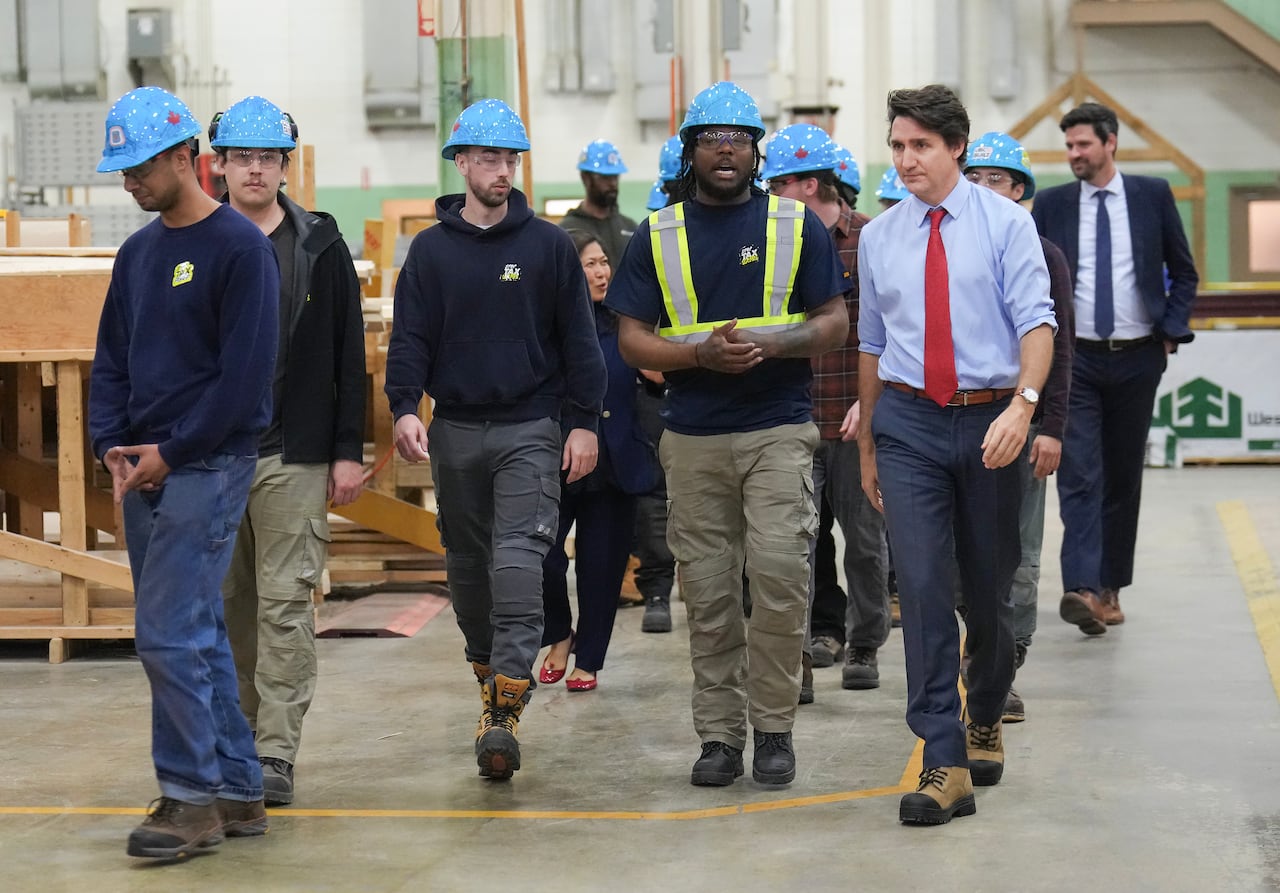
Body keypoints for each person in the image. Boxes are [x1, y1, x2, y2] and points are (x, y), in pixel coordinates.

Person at [606, 81, 849, 788]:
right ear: (690, 150)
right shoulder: (658, 233)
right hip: (694, 435)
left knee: (778, 580)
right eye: (711, 138)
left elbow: (833, 322)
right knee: (709, 595)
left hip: (777, 429)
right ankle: (719, 736)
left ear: (755, 152)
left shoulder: (794, 225)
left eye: (739, 139)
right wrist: (697, 356)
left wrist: (773, 345)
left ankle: (773, 727)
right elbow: (630, 339)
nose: (725, 149)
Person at [851, 84, 1055, 824]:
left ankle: (987, 707)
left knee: (988, 596)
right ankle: (943, 757)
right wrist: (870, 440)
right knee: (928, 589)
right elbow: (871, 343)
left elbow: (1038, 323)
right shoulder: (880, 237)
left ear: (956, 148)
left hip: (990, 421)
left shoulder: (1006, 226)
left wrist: (1022, 406)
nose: (906, 159)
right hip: (908, 423)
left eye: (920, 146)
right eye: (898, 146)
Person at [385, 99, 606, 780]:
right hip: (454, 427)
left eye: (511, 159)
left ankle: (508, 701)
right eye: (489, 158)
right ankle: (489, 680)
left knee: (518, 560)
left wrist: (584, 421)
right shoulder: (429, 251)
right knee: (467, 568)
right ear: (461, 162)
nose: (502, 171)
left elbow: (579, 340)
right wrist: (404, 408)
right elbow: (411, 337)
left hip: (529, 426)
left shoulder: (546, 247)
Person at [89, 86, 278, 857]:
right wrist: (111, 443)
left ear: (181, 157)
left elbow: (243, 383)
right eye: (121, 170)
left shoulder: (241, 249)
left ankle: (189, 798)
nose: (128, 182)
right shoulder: (138, 254)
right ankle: (236, 787)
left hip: (210, 462)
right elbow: (111, 359)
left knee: (165, 631)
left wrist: (172, 451)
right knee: (194, 634)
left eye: (138, 167)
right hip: (145, 466)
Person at [211, 96, 367, 806]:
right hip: (210, 457)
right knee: (227, 603)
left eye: (266, 157)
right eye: (241, 157)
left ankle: (274, 752)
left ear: (284, 165)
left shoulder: (319, 245)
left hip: (293, 454)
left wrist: (345, 450)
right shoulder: (196, 241)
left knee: (283, 605)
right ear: (217, 164)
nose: (253, 169)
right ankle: (237, 741)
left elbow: (348, 354)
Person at [1030, 102, 1198, 635]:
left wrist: (1169, 331)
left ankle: (1110, 588)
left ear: (1111, 143)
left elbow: (1184, 272)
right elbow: (1034, 276)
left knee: (1122, 476)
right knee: (1079, 472)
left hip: (1138, 357)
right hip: (1074, 359)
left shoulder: (1152, 196)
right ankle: (1080, 586)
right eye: (1069, 146)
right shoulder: (1053, 205)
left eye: (1083, 145)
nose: (1074, 154)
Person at [764, 125, 890, 694]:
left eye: (778, 183)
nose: (768, 195)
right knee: (795, 546)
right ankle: (807, 651)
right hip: (794, 418)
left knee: (865, 542)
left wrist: (872, 401)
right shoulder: (773, 242)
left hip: (856, 417)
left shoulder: (872, 240)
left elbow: (894, 330)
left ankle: (865, 643)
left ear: (810, 183)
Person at [961, 131, 1076, 722]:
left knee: (1021, 560)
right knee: (968, 555)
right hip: (962, 422)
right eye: (973, 177)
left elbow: (1060, 347)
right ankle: (976, 660)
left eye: (996, 179)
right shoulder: (951, 248)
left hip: (1024, 424)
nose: (983, 189)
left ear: (1021, 190)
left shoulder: (1043, 253)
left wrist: (1050, 425)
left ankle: (1006, 669)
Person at [538, 231, 660, 691]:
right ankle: (558, 633)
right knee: (543, 558)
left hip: (616, 460)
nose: (602, 271)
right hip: (557, 459)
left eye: (604, 262)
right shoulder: (549, 327)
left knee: (602, 567)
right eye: (589, 264)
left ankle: (588, 659)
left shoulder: (628, 324)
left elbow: (660, 379)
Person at [633, 132, 686, 634]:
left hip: (717, 393)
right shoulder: (653, 238)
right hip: (657, 388)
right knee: (653, 495)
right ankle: (656, 591)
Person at [559, 138, 637, 267]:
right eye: (605, 178)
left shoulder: (631, 228)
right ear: (585, 178)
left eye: (615, 177)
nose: (612, 184)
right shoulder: (567, 231)